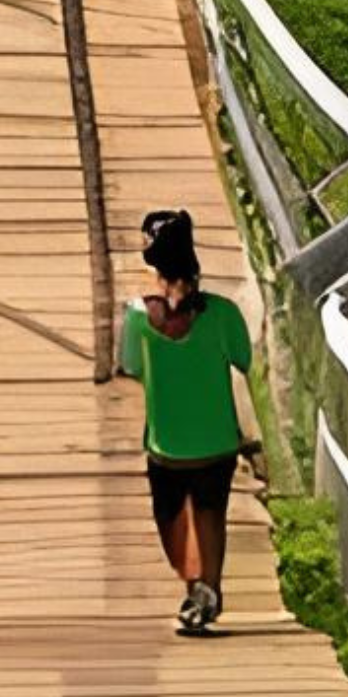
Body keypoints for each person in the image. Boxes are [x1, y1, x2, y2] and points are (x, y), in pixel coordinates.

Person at [118, 206, 261, 636]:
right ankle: (204, 591)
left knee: (174, 520)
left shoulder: (137, 319)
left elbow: (130, 366)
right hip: (216, 439)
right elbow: (243, 358)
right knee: (208, 514)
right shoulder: (222, 314)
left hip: (166, 443)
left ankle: (202, 591)